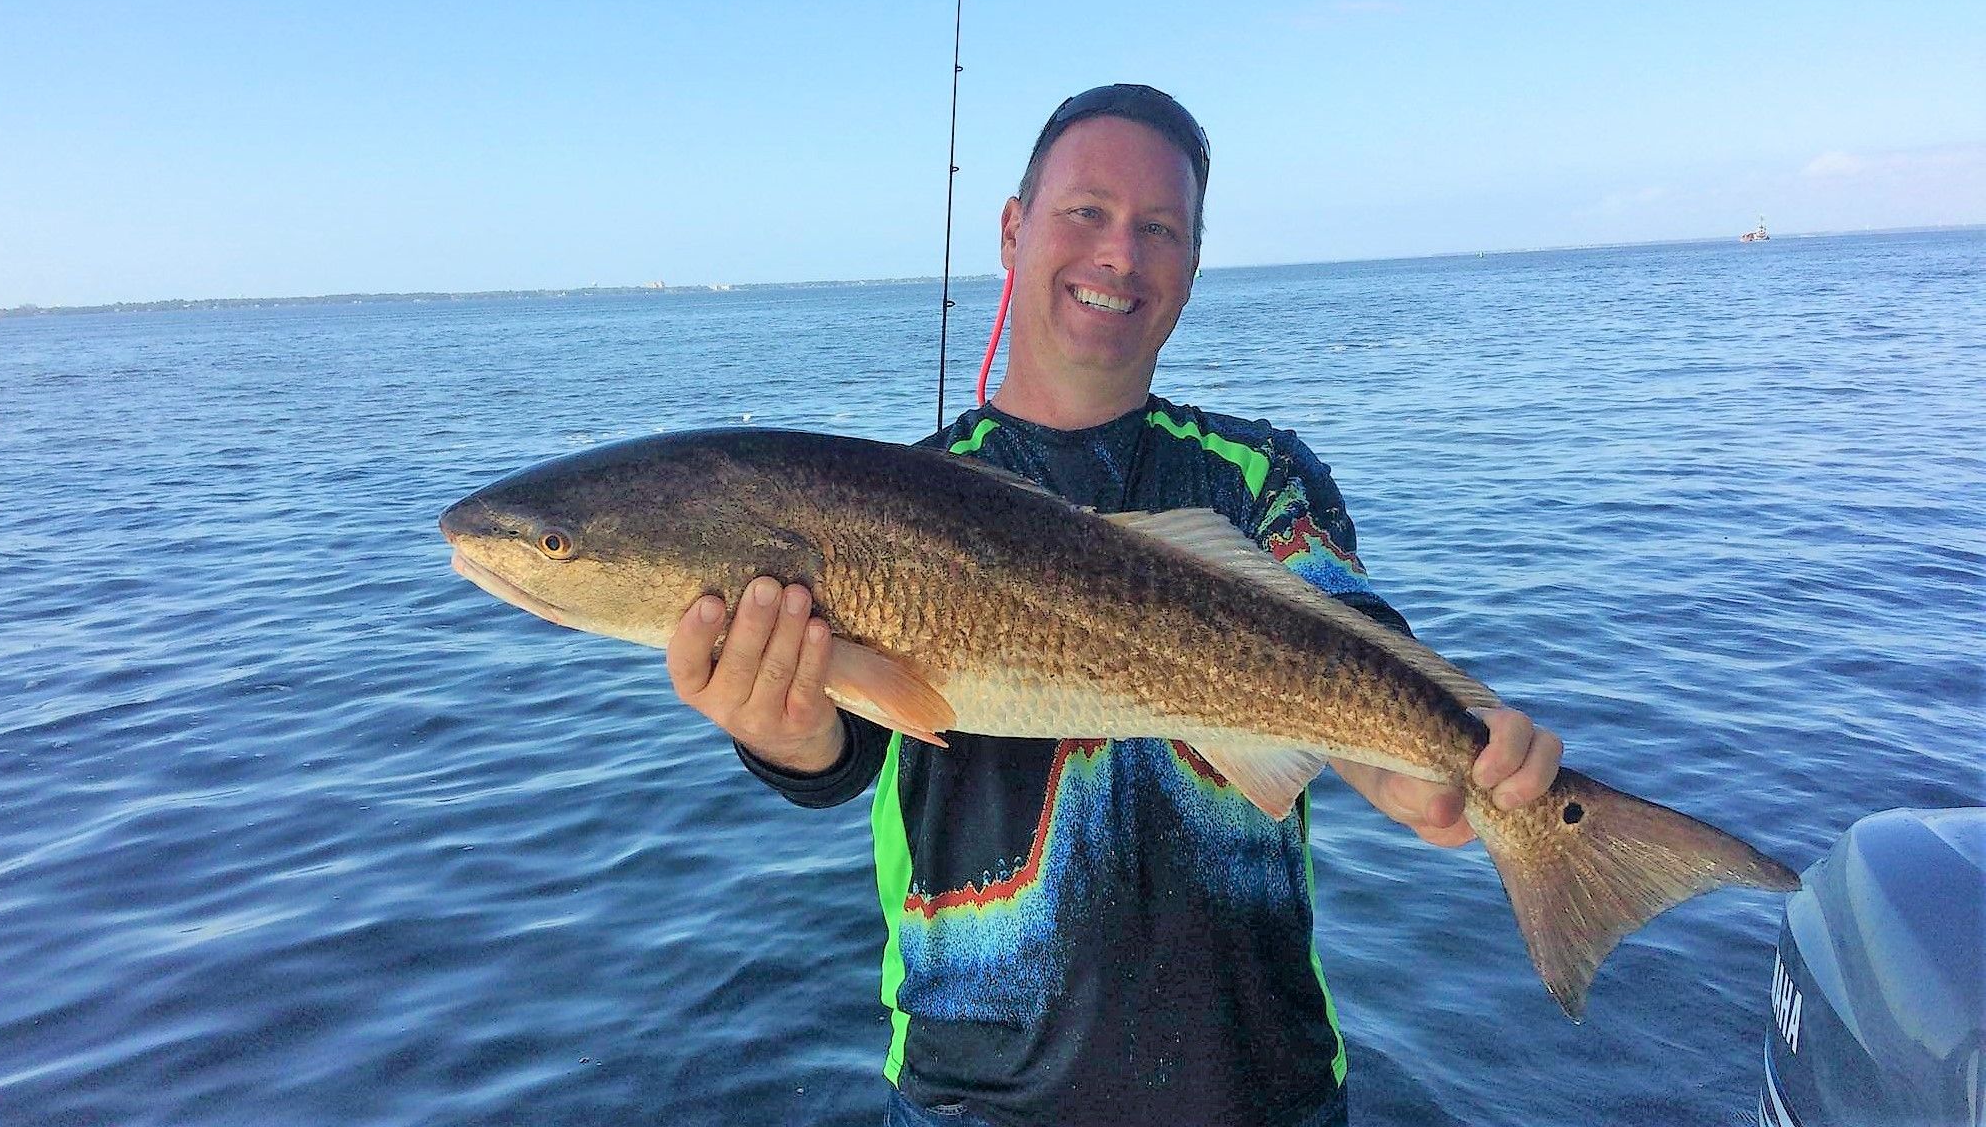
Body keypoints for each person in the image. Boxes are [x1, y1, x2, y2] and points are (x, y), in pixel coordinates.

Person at [664, 85, 1562, 1127]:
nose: (1118, 254)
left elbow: (1343, 649)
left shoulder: (1258, 477)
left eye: (1159, 229)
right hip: (972, 1099)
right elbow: (841, 754)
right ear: (1013, 230)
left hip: (1261, 1088)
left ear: (1191, 265)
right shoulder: (884, 502)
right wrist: (782, 736)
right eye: (1085, 211)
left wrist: (1434, 767)